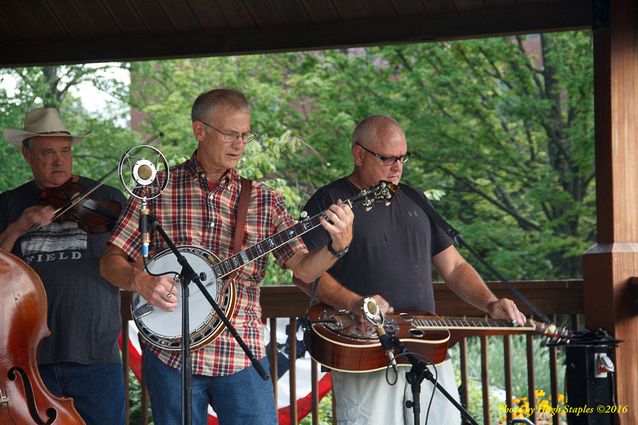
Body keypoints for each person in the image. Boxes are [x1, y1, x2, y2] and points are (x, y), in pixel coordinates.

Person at [99, 88, 354, 425]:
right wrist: (139, 280)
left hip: (240, 352)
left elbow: (305, 270)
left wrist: (338, 246)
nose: (240, 144)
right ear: (200, 131)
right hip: (172, 357)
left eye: (245, 135)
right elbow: (109, 261)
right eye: (231, 134)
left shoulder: (264, 200)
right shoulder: (156, 190)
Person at [295, 114, 526, 425]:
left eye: (403, 157)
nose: (397, 167)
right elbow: (303, 274)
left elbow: (455, 265)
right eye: (387, 158)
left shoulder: (417, 199)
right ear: (359, 154)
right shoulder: (330, 200)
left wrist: (490, 302)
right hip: (364, 351)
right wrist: (354, 303)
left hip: (425, 345)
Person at [0, 107, 127, 425]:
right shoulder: (8, 205)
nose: (59, 161)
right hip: (29, 361)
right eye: (48, 153)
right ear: (27, 155)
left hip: (96, 355)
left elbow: (134, 260)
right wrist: (16, 229)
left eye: (65, 151)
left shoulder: (105, 198)